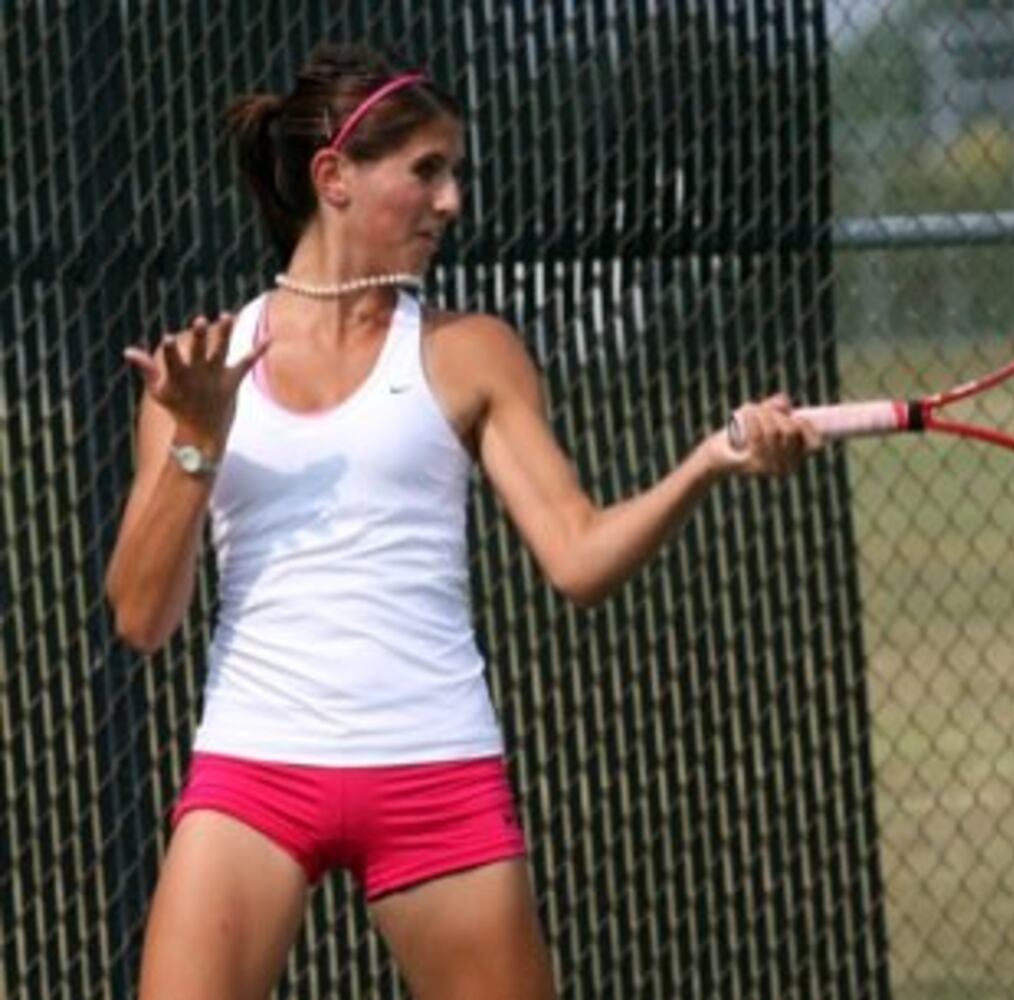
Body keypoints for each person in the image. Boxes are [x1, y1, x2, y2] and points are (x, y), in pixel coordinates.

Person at [103, 43, 818, 1000]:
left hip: (434, 771)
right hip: (253, 773)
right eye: (426, 170)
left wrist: (708, 462)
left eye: (456, 173)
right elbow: (140, 619)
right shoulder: (201, 369)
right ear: (334, 178)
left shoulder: (472, 352)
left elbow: (576, 558)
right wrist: (199, 436)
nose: (452, 202)